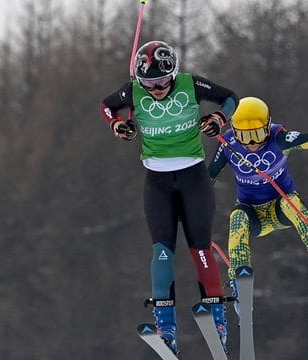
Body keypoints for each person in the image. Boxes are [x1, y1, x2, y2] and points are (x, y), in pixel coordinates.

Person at [98, 40, 238, 355]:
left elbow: (230, 98)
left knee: (200, 251)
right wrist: (118, 124)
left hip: (194, 177)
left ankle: (218, 322)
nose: (157, 88)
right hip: (157, 182)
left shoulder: (190, 84)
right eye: (149, 83)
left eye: (162, 81)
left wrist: (218, 119)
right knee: (161, 252)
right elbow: (105, 106)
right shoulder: (132, 92)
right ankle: (166, 327)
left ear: (173, 74)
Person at [207, 95, 308, 323]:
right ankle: (239, 283)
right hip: (253, 214)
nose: (251, 143)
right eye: (245, 136)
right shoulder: (228, 144)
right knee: (237, 217)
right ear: (235, 132)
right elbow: (208, 177)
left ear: (267, 127)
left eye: (257, 135)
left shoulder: (278, 138)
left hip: (281, 208)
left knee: (291, 203)